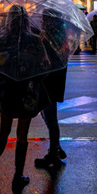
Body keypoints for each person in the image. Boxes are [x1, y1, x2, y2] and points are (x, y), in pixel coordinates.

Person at [0, 5, 49, 193]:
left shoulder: (2, 40)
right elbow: (44, 67)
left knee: (4, 131)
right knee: (22, 135)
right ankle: (18, 176)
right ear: (26, 20)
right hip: (27, 93)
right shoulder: (35, 40)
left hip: (7, 93)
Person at [34, 9, 69, 168]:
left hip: (49, 83)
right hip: (54, 82)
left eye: (43, 19)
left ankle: (53, 154)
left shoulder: (49, 39)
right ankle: (56, 147)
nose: (41, 21)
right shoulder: (60, 37)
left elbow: (46, 62)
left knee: (50, 117)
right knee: (47, 115)